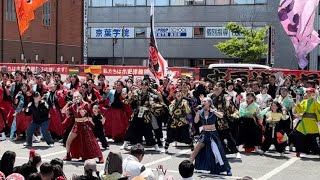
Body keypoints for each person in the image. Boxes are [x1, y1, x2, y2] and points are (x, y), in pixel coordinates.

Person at [190, 97, 232, 176]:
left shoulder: (213, 111)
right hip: (204, 134)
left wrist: (214, 111)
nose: (203, 102)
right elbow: (195, 121)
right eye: (202, 101)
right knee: (195, 150)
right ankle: (188, 167)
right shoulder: (200, 111)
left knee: (218, 152)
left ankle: (227, 169)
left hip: (213, 134)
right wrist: (197, 113)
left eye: (205, 101)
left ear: (209, 103)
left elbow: (221, 116)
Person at [61, 92, 103, 163]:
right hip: (76, 125)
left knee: (90, 142)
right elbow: (63, 111)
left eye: (77, 96)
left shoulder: (85, 104)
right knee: (68, 141)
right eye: (74, 97)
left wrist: (79, 107)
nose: (76, 98)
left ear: (81, 97)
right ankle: (68, 155)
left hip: (84, 125)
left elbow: (83, 114)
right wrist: (67, 104)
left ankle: (100, 156)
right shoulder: (73, 106)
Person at [121, 81, 159, 151]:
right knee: (131, 128)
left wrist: (151, 106)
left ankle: (156, 145)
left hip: (146, 115)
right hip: (137, 113)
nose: (144, 87)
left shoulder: (151, 95)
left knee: (149, 130)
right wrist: (128, 97)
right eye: (143, 85)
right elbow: (130, 101)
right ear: (140, 86)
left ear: (148, 86)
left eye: (145, 85)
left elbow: (155, 102)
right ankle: (125, 143)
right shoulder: (136, 93)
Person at [294, 88, 320, 157]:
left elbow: (319, 109)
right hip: (304, 122)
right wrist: (297, 101)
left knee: (314, 138)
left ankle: (317, 151)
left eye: (310, 93)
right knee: (299, 135)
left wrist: (315, 101)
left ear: (313, 93)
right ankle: (298, 151)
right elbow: (300, 110)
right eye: (307, 93)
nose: (308, 94)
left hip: (312, 122)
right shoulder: (304, 101)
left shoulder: (316, 102)